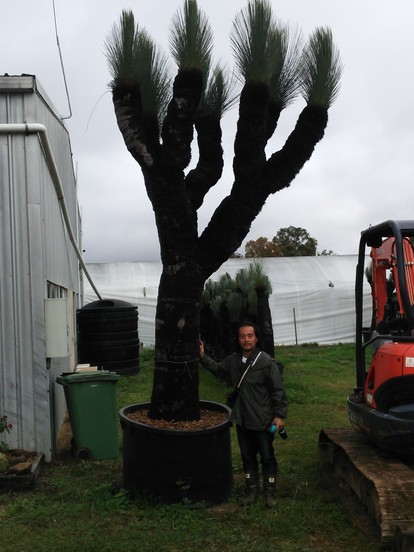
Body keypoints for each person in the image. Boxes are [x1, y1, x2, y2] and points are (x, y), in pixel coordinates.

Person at [199, 322, 288, 508]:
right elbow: (219, 370)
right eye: (242, 336)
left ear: (256, 338)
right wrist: (202, 356)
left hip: (263, 420)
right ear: (238, 340)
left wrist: (279, 416)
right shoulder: (234, 360)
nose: (246, 340)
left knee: (267, 456)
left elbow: (278, 392)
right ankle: (251, 491)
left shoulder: (266, 363)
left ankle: (269, 493)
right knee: (247, 456)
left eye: (250, 336)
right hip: (242, 419)